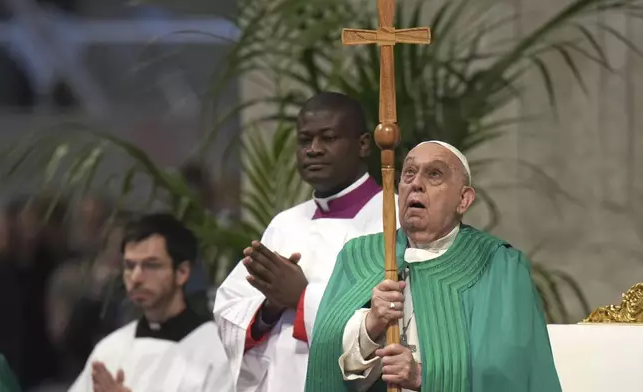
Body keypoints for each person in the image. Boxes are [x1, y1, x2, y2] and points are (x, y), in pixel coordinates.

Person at [306, 141, 562, 392]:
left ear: (463, 199)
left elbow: (507, 371)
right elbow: (325, 357)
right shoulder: (359, 256)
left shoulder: (498, 266)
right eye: (409, 173)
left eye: (434, 174)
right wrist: (372, 324)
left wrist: (423, 376)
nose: (416, 184)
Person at [214, 92, 397, 391]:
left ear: (363, 144)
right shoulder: (285, 223)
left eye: (328, 138)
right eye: (304, 140)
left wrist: (302, 298)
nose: (313, 150)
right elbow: (229, 310)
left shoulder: (393, 220)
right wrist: (268, 308)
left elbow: (394, 318)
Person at [69, 213, 234, 392]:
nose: (136, 277)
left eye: (151, 265)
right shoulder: (110, 349)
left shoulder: (216, 351)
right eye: (130, 266)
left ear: (182, 272)